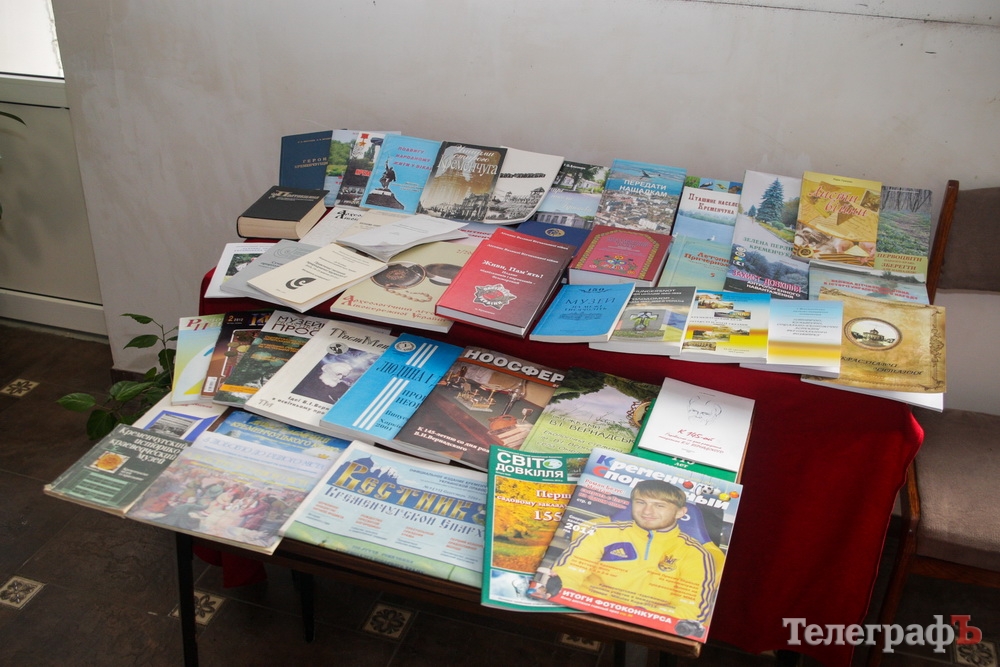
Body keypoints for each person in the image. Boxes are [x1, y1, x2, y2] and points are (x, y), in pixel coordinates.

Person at [546, 479, 722, 632]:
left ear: (680, 513)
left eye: (659, 505)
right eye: (640, 502)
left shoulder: (696, 554)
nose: (647, 512)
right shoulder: (601, 532)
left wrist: (638, 615)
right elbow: (567, 574)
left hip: (647, 627)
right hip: (585, 615)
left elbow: (692, 612)